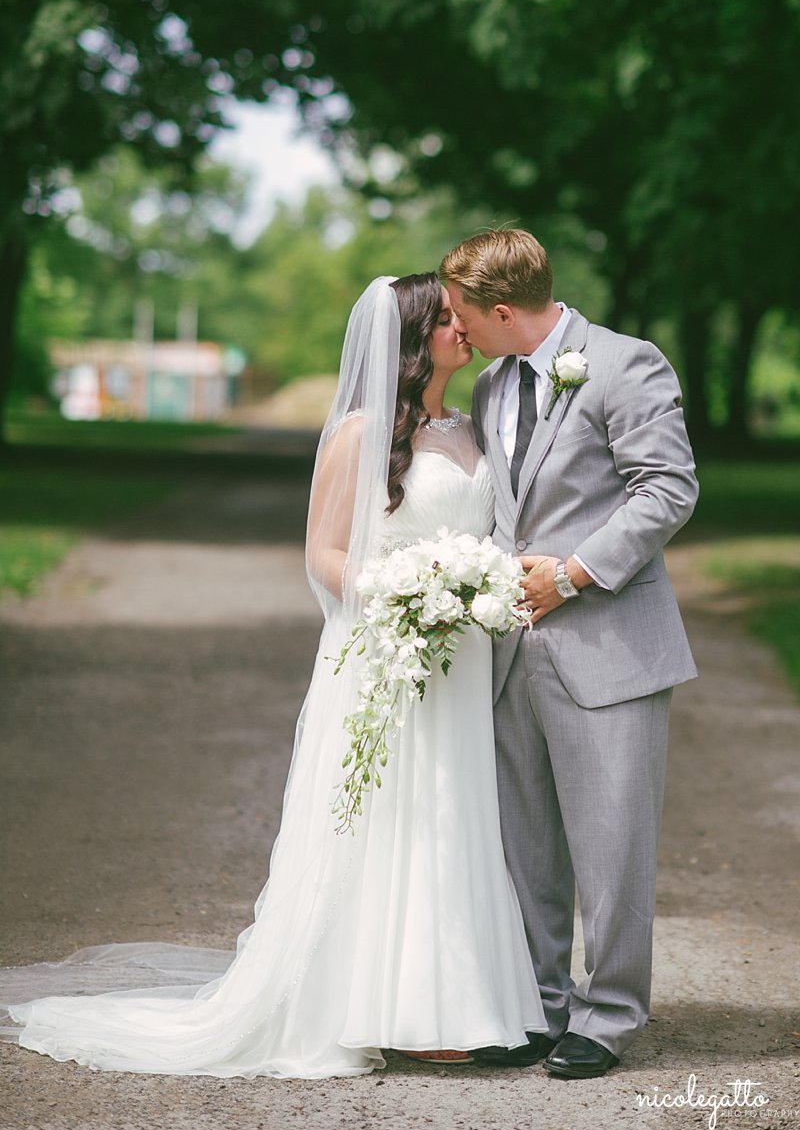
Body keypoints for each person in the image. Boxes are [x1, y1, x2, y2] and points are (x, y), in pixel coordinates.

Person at [0, 274, 547, 1078]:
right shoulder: (360, 435)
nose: (462, 327)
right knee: (393, 818)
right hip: (387, 649)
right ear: (410, 339)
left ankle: (451, 997)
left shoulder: (471, 428)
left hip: (461, 659)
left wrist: (477, 589)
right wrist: (403, 594)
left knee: (451, 812)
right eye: (446, 319)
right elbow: (323, 553)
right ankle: (377, 1005)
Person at [440, 230, 698, 1079]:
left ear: (504, 310)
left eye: (466, 315)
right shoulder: (487, 383)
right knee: (525, 845)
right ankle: (539, 1006)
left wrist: (576, 572)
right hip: (510, 647)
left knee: (612, 843)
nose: (459, 329)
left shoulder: (626, 363)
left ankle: (610, 1012)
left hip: (609, 643)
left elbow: (669, 486)